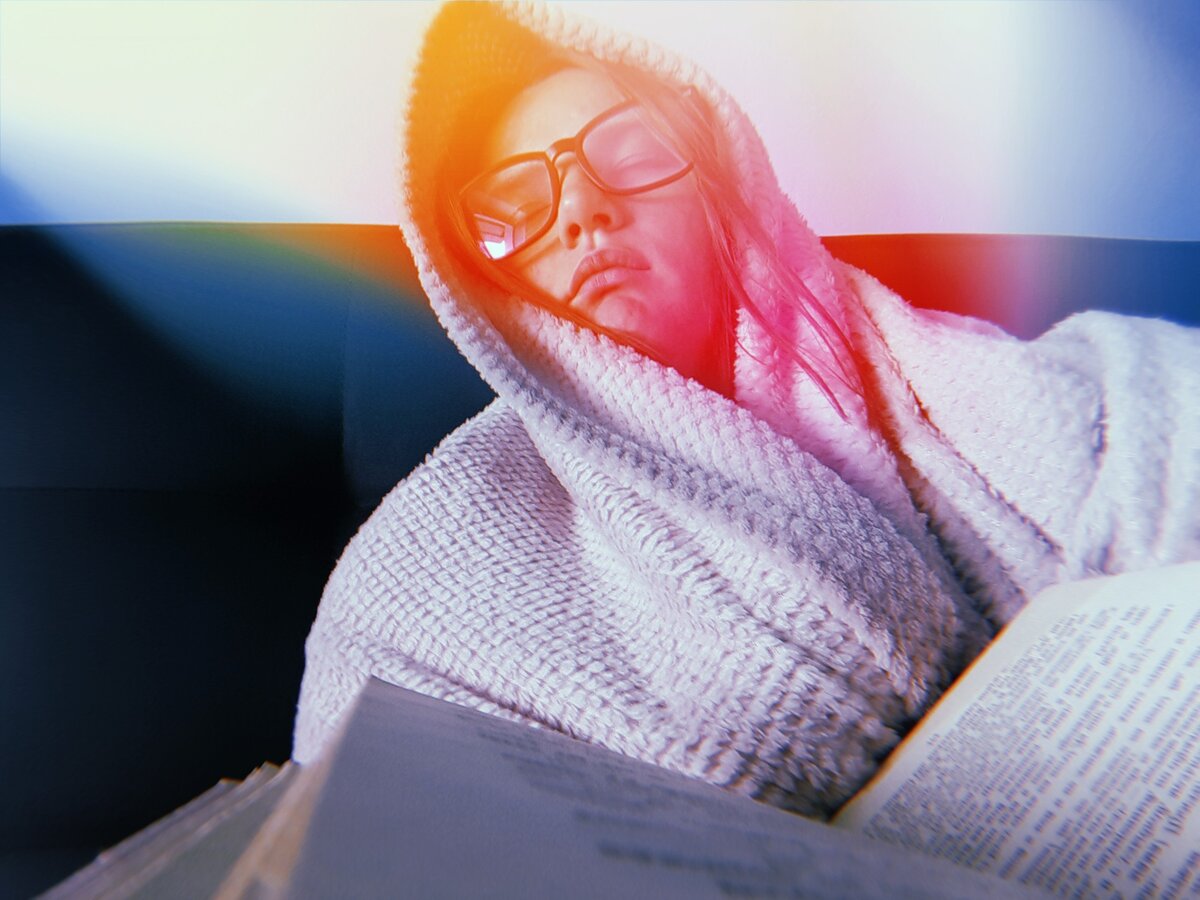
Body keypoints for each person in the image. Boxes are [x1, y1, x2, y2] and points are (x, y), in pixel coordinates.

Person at [293, 1, 1199, 818]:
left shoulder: (948, 383)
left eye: (631, 157)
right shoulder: (441, 555)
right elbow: (360, 790)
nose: (581, 212)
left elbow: (1159, 423)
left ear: (724, 180)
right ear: (480, 279)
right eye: (517, 207)